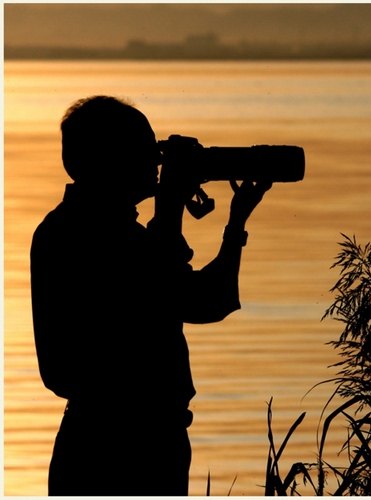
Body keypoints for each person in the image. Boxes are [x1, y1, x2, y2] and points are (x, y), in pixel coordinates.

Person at [30, 95, 272, 495]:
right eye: (148, 150)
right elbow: (180, 295)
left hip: (130, 442)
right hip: (117, 448)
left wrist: (235, 223)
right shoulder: (87, 236)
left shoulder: (84, 230)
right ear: (111, 159)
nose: (157, 163)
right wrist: (171, 206)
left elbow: (207, 298)